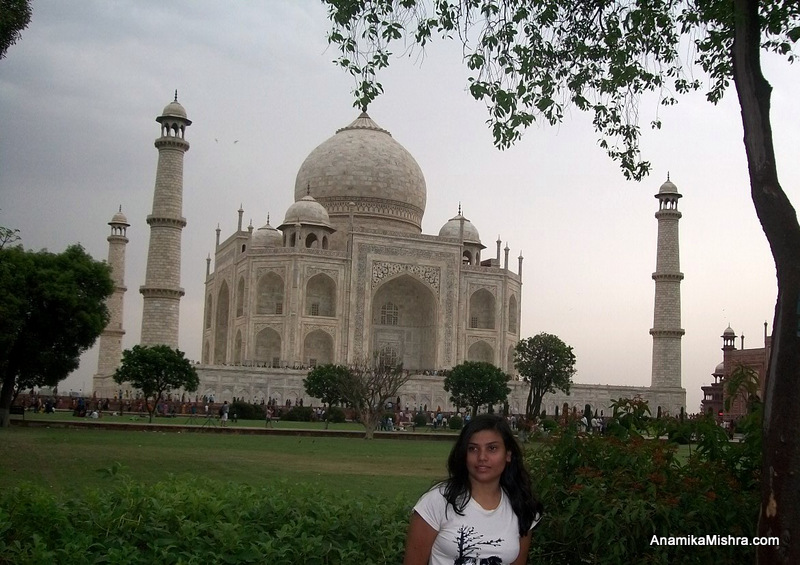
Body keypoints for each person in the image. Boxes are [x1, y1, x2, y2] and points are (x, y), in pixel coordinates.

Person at [403, 414, 543, 565]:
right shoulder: (438, 501)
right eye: (473, 449)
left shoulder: (521, 506)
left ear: (508, 454)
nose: (482, 457)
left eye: (492, 448)